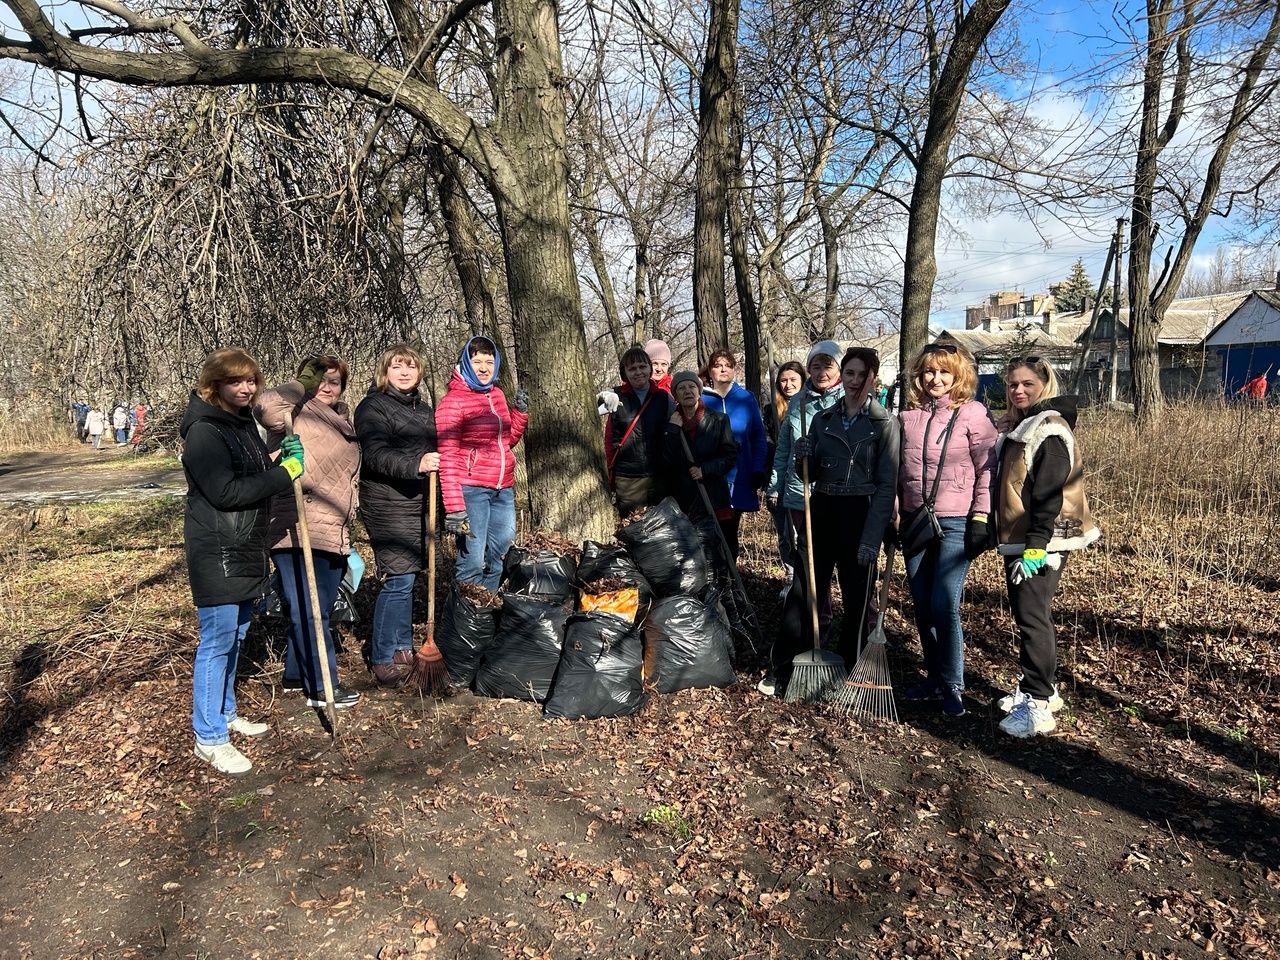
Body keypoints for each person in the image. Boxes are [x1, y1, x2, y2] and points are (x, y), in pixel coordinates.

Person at [181, 348, 303, 776]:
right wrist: (285, 473)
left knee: (237, 635)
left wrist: (279, 456)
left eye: (251, 380)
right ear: (215, 385)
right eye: (236, 381)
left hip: (246, 545)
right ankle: (209, 737)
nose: (246, 388)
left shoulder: (241, 423)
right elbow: (225, 492)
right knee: (217, 641)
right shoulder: (203, 431)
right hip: (217, 549)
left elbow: (248, 474)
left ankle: (225, 713)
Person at [765, 347, 898, 695]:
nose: (854, 382)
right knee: (805, 590)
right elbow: (807, 475)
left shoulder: (885, 424)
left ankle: (852, 670)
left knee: (857, 598)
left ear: (872, 378)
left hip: (861, 512)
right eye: (849, 374)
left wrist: (873, 536)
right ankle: (785, 666)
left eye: (860, 375)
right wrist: (801, 459)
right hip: (821, 508)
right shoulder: (822, 419)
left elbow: (886, 487)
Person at [993, 357, 1100, 738]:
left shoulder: (1050, 430)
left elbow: (1049, 494)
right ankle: (1042, 687)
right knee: (1031, 612)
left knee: (1032, 617)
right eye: (1011, 384)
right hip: (1025, 536)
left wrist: (1036, 547)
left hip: (1042, 540)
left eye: (1026, 384)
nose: (1017, 390)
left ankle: (1037, 705)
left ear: (1045, 384)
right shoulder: (1029, 424)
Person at [897, 343, 997, 717]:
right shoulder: (908, 418)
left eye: (944, 372)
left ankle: (953, 683)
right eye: (928, 372)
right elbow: (897, 472)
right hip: (916, 521)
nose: (935, 379)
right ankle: (934, 678)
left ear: (958, 377)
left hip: (957, 520)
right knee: (922, 606)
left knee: (944, 603)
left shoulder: (973, 414)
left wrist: (981, 517)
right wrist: (896, 514)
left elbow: (988, 469)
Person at [256, 353, 362, 708]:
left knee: (311, 605)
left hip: (333, 528)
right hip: (297, 524)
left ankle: (295, 674)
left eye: (335, 381)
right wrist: (301, 385)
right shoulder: (292, 410)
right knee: (310, 609)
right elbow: (265, 406)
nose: (327, 387)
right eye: (321, 379)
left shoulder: (342, 419)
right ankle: (322, 685)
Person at [354, 344, 440, 687]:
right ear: (384, 372)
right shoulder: (373, 407)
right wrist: (416, 464)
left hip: (420, 501)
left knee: (411, 576)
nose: (404, 373)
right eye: (397, 367)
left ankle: (404, 647)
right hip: (387, 502)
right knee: (399, 578)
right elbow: (375, 455)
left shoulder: (425, 410)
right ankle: (381, 655)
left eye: (411, 367)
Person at [763, 340, 844, 655]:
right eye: (816, 365)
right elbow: (782, 452)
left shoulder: (848, 403)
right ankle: (820, 622)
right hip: (800, 496)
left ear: (838, 369)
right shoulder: (797, 404)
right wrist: (773, 486)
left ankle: (864, 624)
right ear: (808, 368)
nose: (822, 372)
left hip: (837, 498)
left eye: (828, 365)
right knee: (810, 565)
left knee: (847, 565)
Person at [437, 336, 528, 593]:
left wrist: (519, 415)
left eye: (489, 361)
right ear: (466, 363)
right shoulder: (452, 403)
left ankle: (484, 615)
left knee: (500, 556)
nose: (484, 368)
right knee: (472, 561)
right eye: (477, 361)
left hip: (503, 489)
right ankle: (464, 623)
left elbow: (506, 441)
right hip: (471, 491)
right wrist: (454, 507)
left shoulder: (497, 395)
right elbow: (447, 457)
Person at [700, 351, 768, 559]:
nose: (723, 369)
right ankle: (710, 583)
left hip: (738, 479)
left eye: (727, 365)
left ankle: (730, 584)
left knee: (729, 532)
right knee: (707, 534)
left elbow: (758, 437)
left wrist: (758, 468)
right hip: (708, 478)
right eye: (718, 365)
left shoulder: (745, 398)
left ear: (734, 369)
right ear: (709, 370)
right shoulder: (700, 399)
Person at [660, 369, 739, 539]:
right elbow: (666, 463)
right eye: (681, 388)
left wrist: (705, 470)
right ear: (675, 395)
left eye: (691, 387)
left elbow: (729, 456)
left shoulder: (719, 420)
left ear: (699, 390)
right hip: (684, 500)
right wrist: (673, 430)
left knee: (723, 547)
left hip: (714, 495)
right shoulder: (669, 425)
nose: (687, 391)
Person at [602, 345, 675, 516]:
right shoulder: (615, 397)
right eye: (632, 368)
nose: (638, 372)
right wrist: (601, 398)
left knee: (662, 528)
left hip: (660, 475)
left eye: (642, 366)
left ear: (649, 369)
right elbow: (609, 438)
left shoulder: (664, 398)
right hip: (628, 478)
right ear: (624, 372)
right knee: (633, 528)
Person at [767, 361, 806, 583]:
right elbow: (773, 447)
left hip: (802, 481)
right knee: (784, 532)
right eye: (783, 380)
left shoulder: (810, 407)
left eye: (793, 380)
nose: (788, 384)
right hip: (778, 478)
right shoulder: (770, 410)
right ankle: (790, 575)